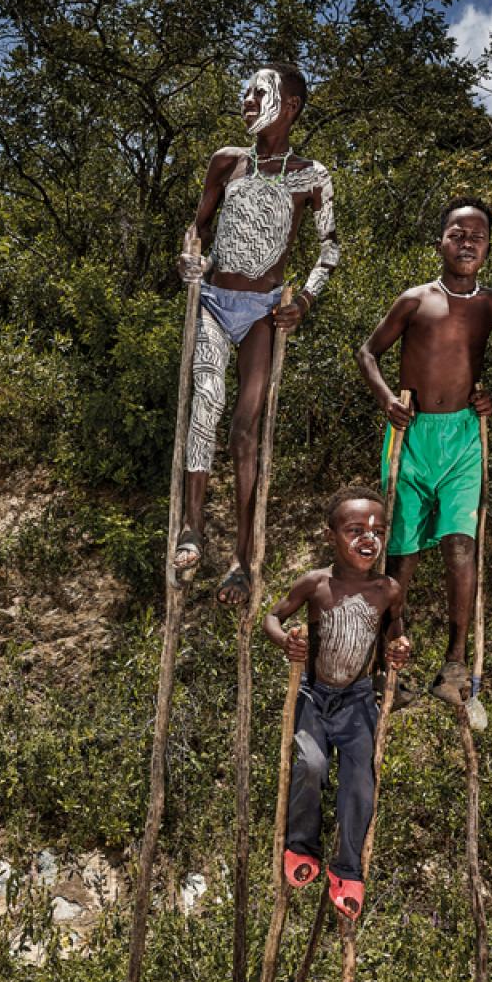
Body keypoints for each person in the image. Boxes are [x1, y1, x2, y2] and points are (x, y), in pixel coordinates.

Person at [354, 197, 492, 707]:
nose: (467, 244)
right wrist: (388, 399)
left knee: (460, 546)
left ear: (488, 248)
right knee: (402, 553)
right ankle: (387, 661)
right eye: (457, 234)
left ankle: (454, 667)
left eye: (476, 237)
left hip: (462, 439)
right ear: (440, 241)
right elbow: (369, 352)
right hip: (411, 435)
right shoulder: (415, 300)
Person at [174, 61, 340, 605]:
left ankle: (244, 561)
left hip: (265, 312)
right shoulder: (228, 163)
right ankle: (191, 532)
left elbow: (329, 249)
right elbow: (198, 226)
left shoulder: (312, 176)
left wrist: (307, 299)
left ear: (288, 106)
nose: (246, 99)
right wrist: (189, 258)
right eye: (245, 91)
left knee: (246, 433)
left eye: (259, 92)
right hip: (215, 303)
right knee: (205, 401)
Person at [263, 487, 412, 918]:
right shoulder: (316, 584)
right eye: (355, 530)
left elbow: (395, 631)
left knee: (359, 782)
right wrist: (285, 641)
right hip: (313, 695)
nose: (368, 539)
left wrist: (399, 647)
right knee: (309, 765)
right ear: (331, 537)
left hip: (358, 700)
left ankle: (347, 869)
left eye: (378, 531)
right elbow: (274, 617)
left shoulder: (387, 589)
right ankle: (301, 848)